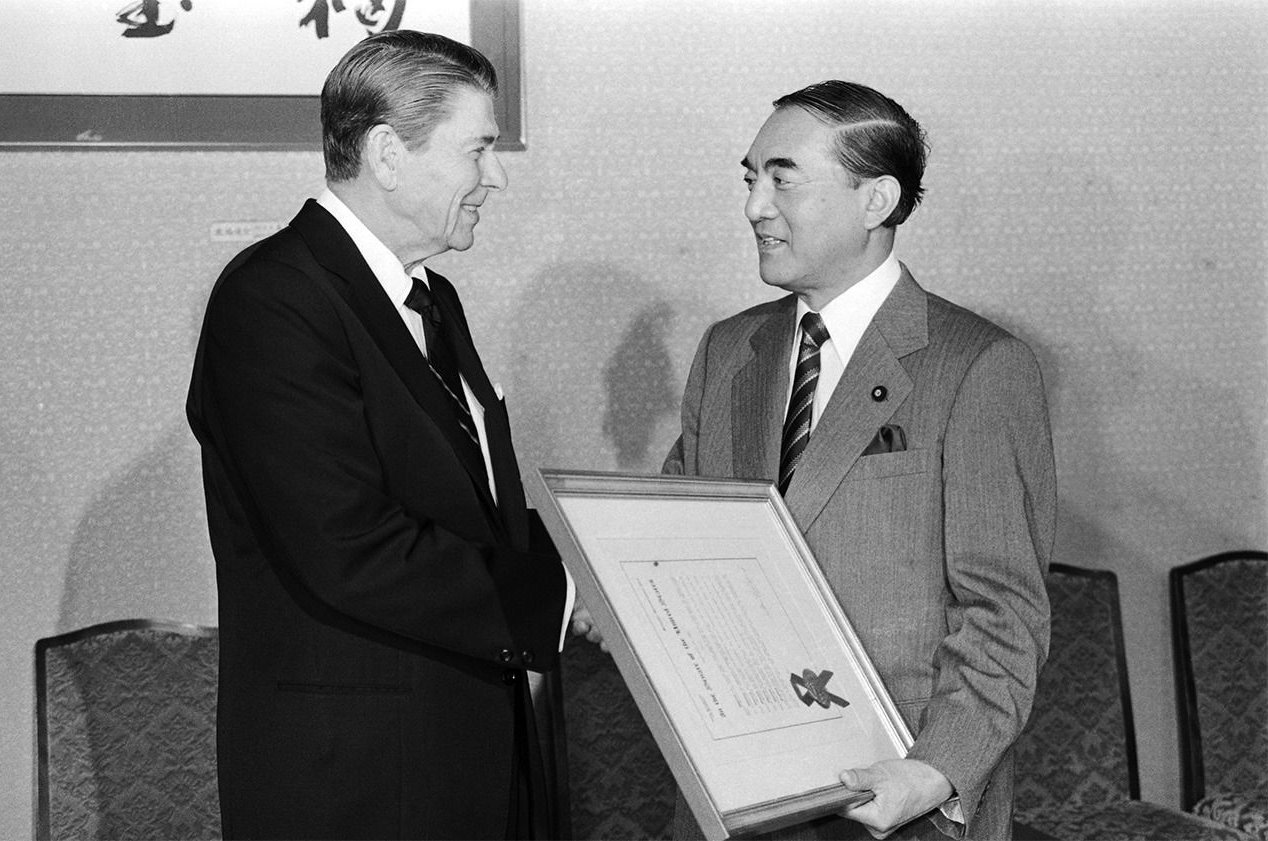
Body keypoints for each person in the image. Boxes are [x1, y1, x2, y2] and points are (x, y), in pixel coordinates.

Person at [186, 30, 572, 840]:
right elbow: (348, 546)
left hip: (457, 760)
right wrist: (560, 590)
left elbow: (467, 508)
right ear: (389, 154)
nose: (495, 176)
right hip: (353, 784)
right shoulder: (273, 300)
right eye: (480, 149)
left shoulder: (432, 297)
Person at [664, 80, 1056, 840]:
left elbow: (1006, 611)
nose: (755, 206)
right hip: (731, 798)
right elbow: (675, 548)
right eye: (750, 178)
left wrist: (931, 771)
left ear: (876, 199)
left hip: (896, 800)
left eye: (783, 178)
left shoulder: (979, 366)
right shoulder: (727, 351)